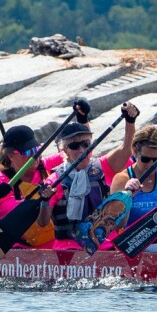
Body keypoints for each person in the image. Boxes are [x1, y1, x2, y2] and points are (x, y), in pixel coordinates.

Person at [41, 103, 140, 250]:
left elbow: (127, 148)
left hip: (105, 244)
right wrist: (44, 201)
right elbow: (42, 223)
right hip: (69, 248)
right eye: (74, 146)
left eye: (85, 144)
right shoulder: (54, 181)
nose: (81, 150)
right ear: (65, 150)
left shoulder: (103, 166)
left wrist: (130, 121)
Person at [0, 125, 56, 249]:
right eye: (27, 152)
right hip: (13, 250)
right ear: (11, 156)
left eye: (36, 149)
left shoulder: (45, 166)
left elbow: (75, 153)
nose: (34, 155)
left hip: (48, 248)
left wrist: (83, 120)